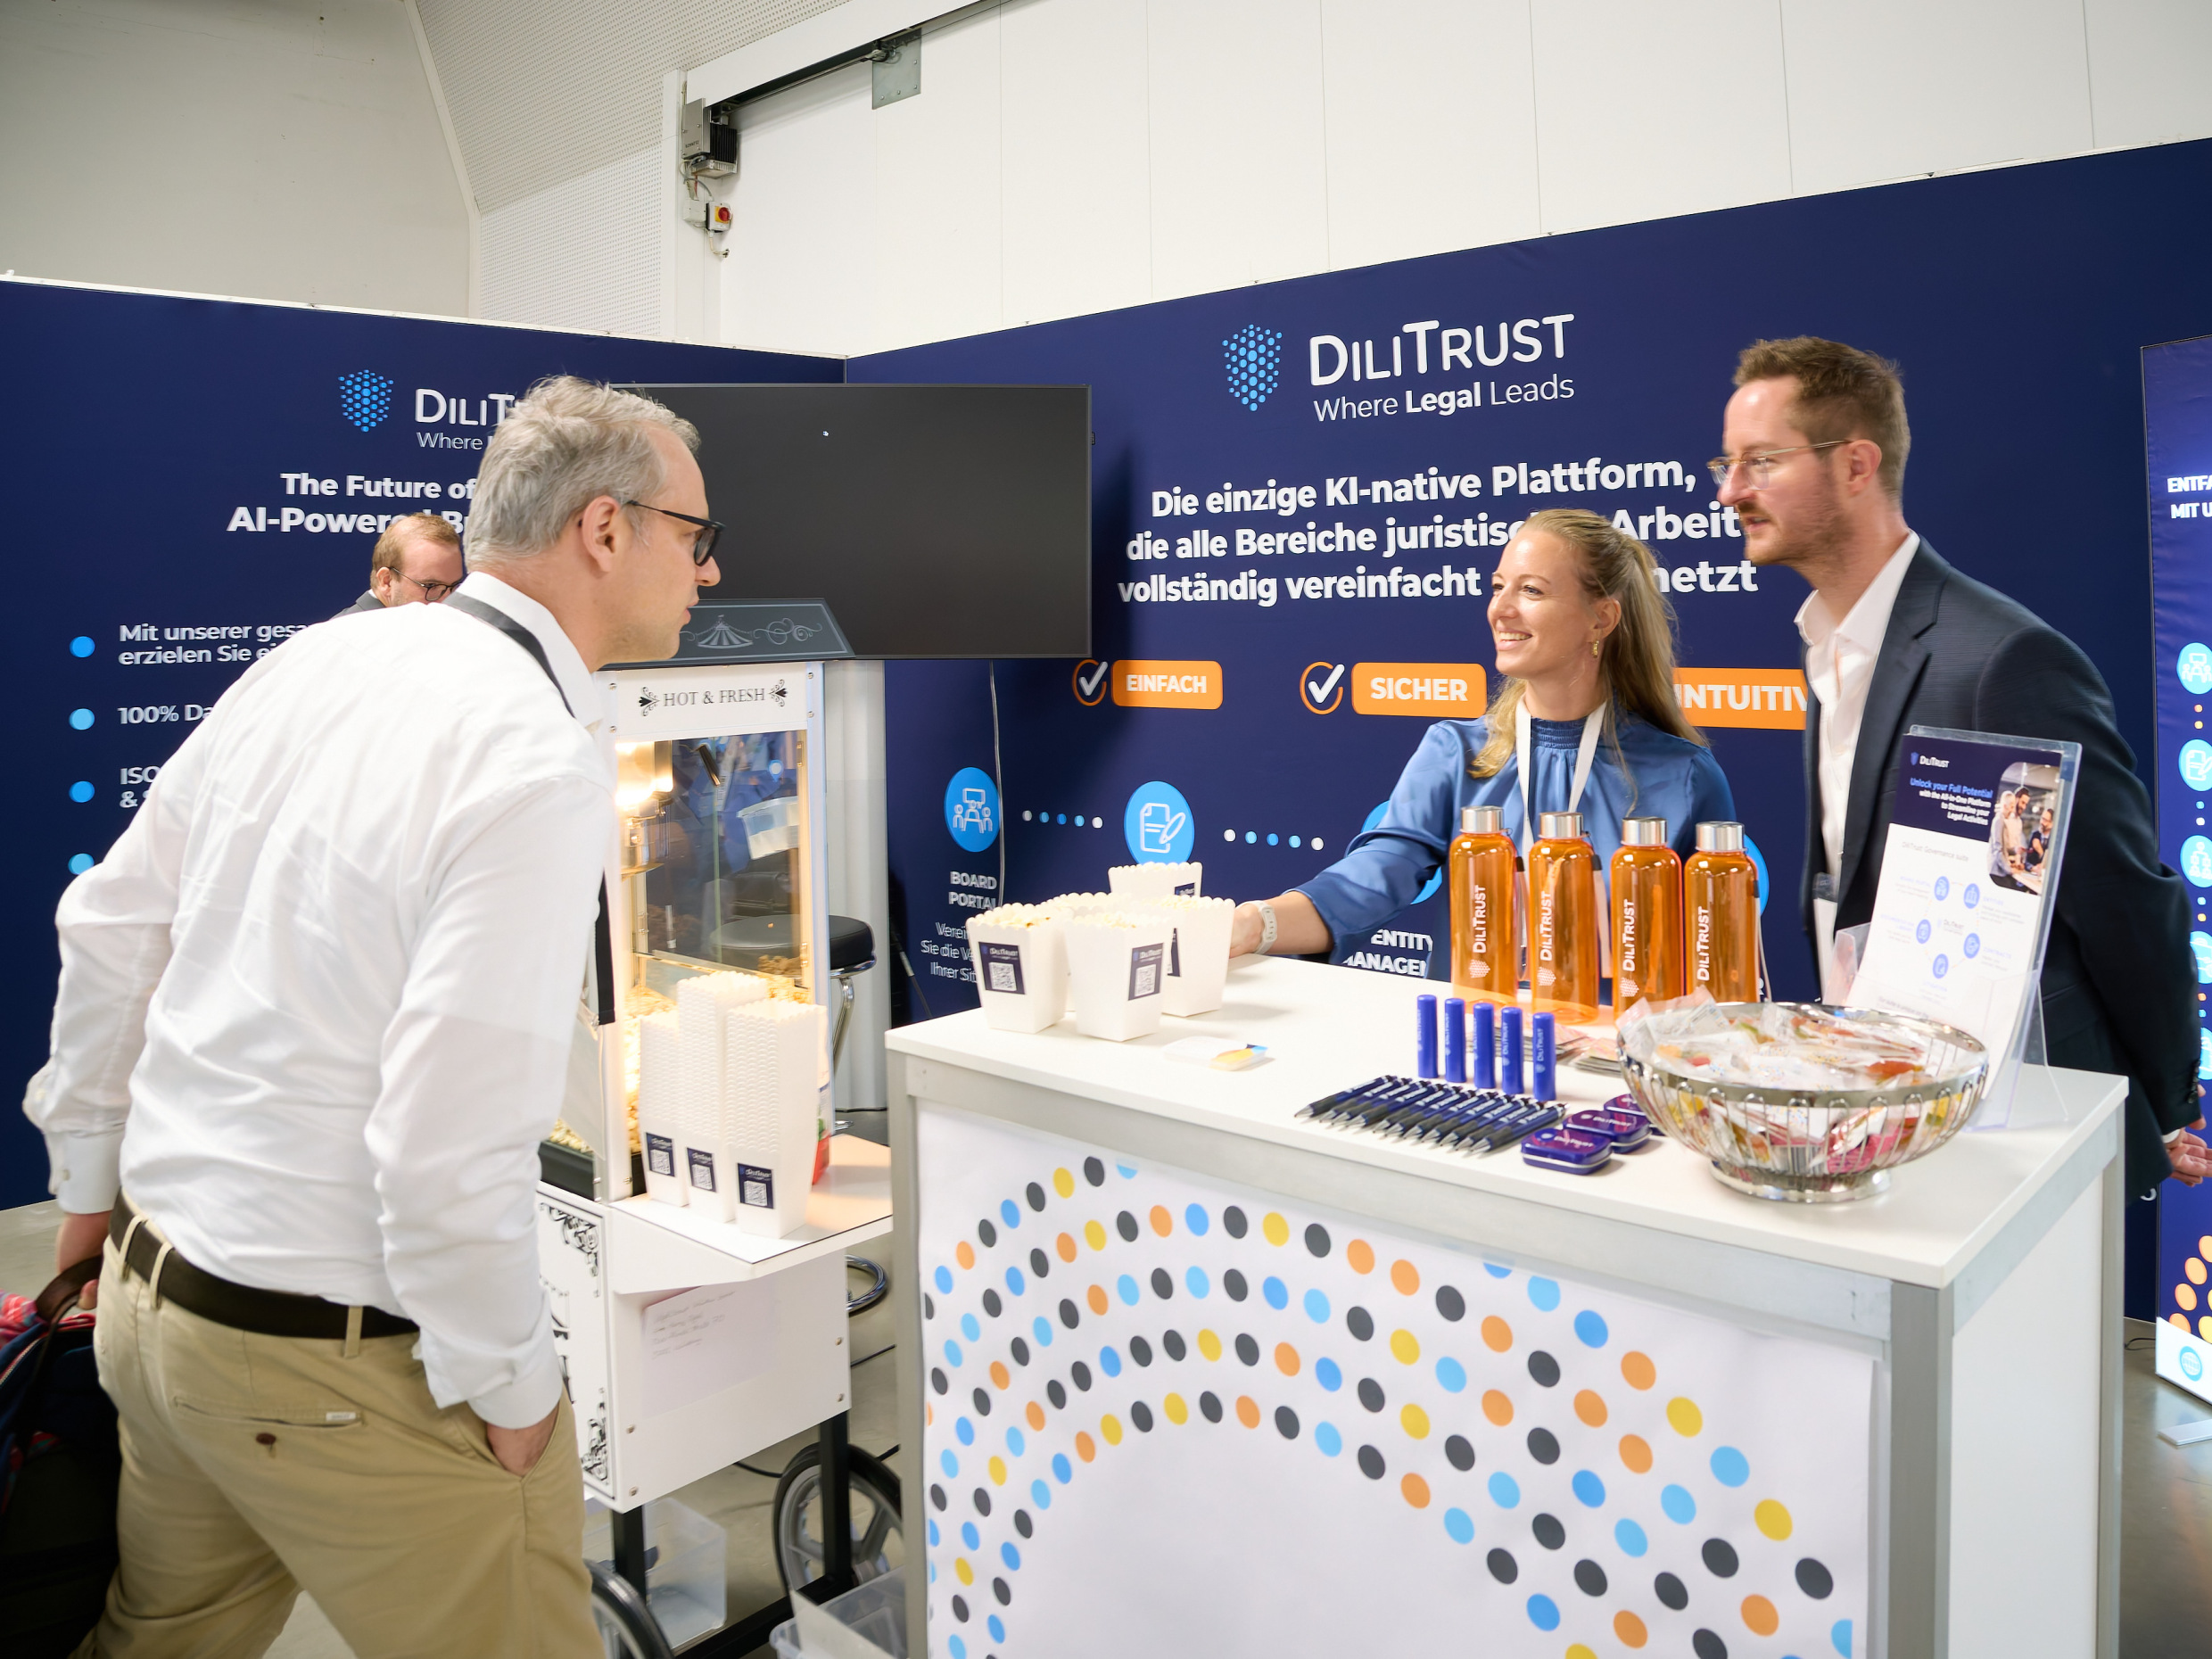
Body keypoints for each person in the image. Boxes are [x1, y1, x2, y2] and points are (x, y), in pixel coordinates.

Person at [25, 376, 722, 1655]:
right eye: (695, 535)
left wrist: (87, 1187)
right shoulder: (532, 756)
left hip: (152, 1304)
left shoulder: (317, 658)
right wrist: (510, 1380)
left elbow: (114, 927)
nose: (710, 571)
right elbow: (445, 1140)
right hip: (335, 1364)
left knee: (163, 1638)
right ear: (603, 529)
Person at [1715, 334, 2212, 1197]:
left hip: (2017, 1123)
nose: (1731, 492)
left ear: (1855, 465)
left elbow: (2122, 902)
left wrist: (2163, 1107)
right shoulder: (1825, 644)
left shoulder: (2001, 661)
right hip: (1886, 1096)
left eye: (1760, 461)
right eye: (1726, 465)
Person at [1230, 508, 1735, 961]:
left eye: (1531, 590)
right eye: (1498, 587)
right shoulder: (1457, 751)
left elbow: (1717, 953)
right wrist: (1257, 923)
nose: (1501, 609)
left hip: (1615, 1034)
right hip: (1475, 1031)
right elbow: (1374, 877)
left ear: (1600, 618)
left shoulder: (1685, 775)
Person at [336, 510, 466, 615]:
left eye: (454, 586)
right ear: (387, 581)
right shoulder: (345, 635)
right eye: (431, 586)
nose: (446, 602)